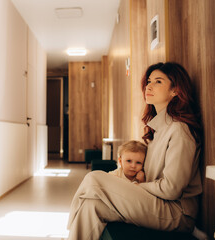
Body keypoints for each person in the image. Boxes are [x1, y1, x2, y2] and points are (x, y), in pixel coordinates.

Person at [67, 62, 203, 240]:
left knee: (94, 179)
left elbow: (171, 189)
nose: (149, 85)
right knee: (91, 205)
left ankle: (67, 230)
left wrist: (137, 187)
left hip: (176, 213)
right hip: (154, 201)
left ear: (175, 91)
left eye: (158, 81)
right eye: (149, 81)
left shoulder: (179, 131)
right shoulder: (157, 130)